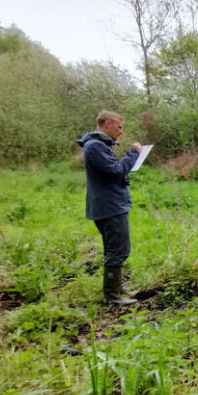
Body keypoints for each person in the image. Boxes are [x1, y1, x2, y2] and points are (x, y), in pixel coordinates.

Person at [76, 110, 142, 305]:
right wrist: (134, 154)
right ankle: (113, 296)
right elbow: (116, 171)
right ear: (107, 124)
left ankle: (118, 289)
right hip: (110, 207)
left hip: (110, 205)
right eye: (119, 127)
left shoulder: (99, 145)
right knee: (118, 251)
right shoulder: (94, 147)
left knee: (115, 250)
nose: (121, 132)